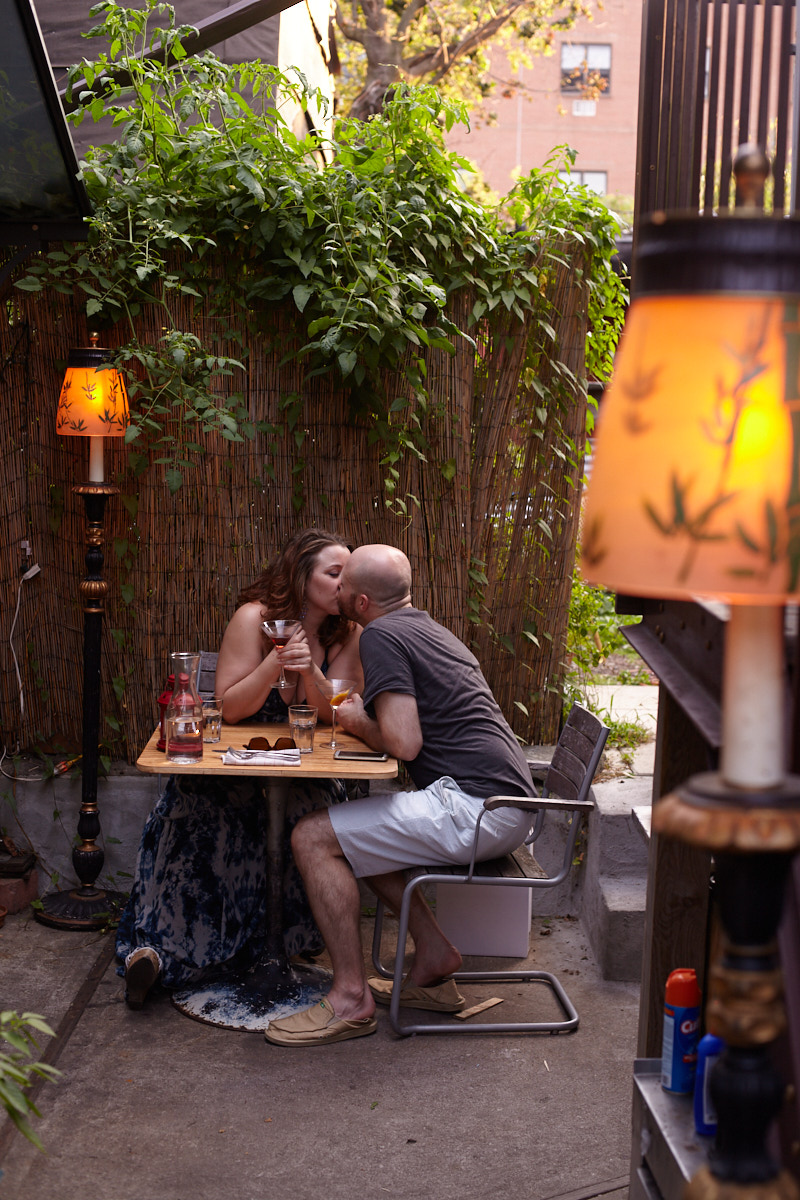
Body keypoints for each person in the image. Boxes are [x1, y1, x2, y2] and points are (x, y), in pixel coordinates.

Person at [264, 543, 535, 1046]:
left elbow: (404, 741)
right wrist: (365, 717)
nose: (337, 588)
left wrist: (359, 720)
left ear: (361, 601)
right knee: (356, 830)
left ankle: (349, 998)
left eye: (344, 583)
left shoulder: (382, 635)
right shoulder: (424, 626)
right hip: (503, 804)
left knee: (312, 837)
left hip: (478, 808)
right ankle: (433, 954)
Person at [116, 529, 362, 1009]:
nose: (342, 585)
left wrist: (308, 669)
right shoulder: (254, 619)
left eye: (348, 577)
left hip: (305, 774)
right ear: (300, 575)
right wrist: (275, 662)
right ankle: (160, 953)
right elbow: (228, 708)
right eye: (333, 574)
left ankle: (274, 946)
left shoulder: (347, 633)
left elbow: (335, 713)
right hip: (232, 768)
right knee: (196, 816)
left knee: (314, 817)